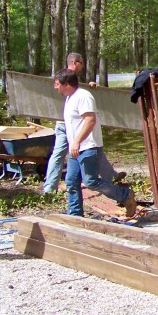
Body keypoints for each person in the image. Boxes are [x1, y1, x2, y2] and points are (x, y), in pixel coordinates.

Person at [54, 68, 136, 218]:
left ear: (67, 84)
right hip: (76, 149)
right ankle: (75, 215)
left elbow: (90, 121)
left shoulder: (83, 96)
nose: (55, 87)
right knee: (71, 182)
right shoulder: (69, 98)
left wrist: (77, 141)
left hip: (89, 147)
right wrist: (74, 144)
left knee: (91, 181)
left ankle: (125, 195)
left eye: (57, 84)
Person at [44, 53, 123, 196]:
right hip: (69, 127)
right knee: (64, 159)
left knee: (86, 171)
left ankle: (113, 179)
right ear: (75, 62)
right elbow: (87, 117)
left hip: (77, 132)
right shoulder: (65, 78)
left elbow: (88, 114)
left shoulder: (76, 87)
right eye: (81, 63)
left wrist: (90, 85)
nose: (83, 65)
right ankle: (50, 187)